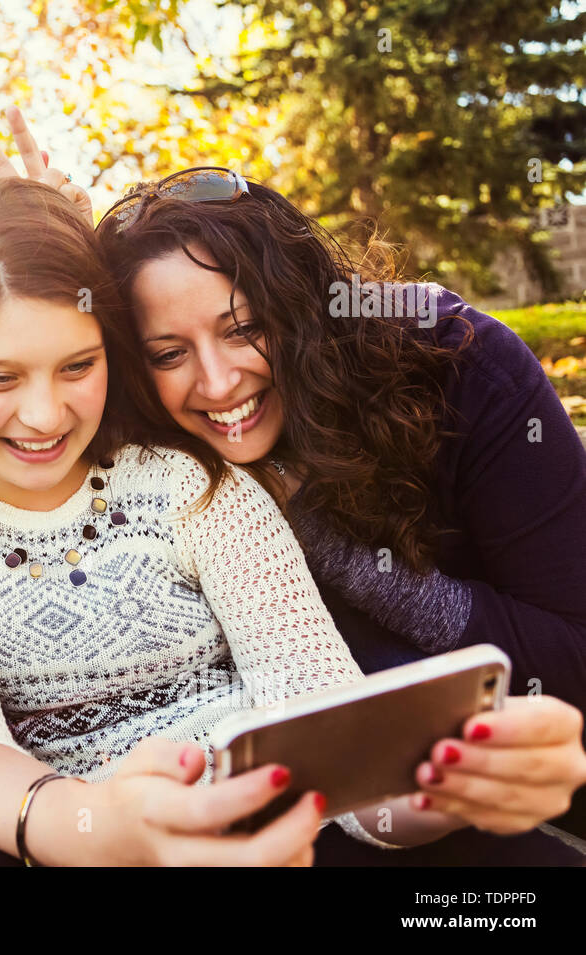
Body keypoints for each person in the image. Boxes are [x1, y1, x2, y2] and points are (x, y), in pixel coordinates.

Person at [0, 176, 531, 866]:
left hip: (263, 823)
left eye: (77, 366)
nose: (45, 416)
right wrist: (95, 825)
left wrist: (421, 800)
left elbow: (313, 695)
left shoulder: (194, 486)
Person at [91, 164, 586, 861]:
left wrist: (329, 546)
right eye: (169, 353)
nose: (218, 381)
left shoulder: (459, 365)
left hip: (509, 767)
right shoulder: (145, 447)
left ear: (299, 302)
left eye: (244, 329)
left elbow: (572, 659)